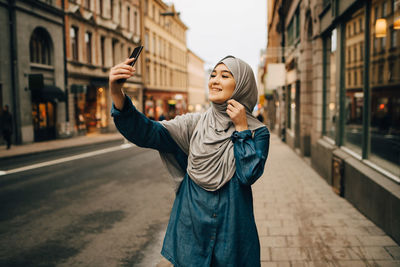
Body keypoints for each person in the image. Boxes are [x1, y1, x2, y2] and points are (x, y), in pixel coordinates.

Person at [109, 55, 270, 266]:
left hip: (231, 236)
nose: (214, 80)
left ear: (242, 84)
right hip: (190, 231)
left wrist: (241, 129)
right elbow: (146, 132)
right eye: (212, 75)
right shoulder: (193, 124)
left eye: (224, 75)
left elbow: (248, 174)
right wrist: (116, 93)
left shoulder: (258, 133)